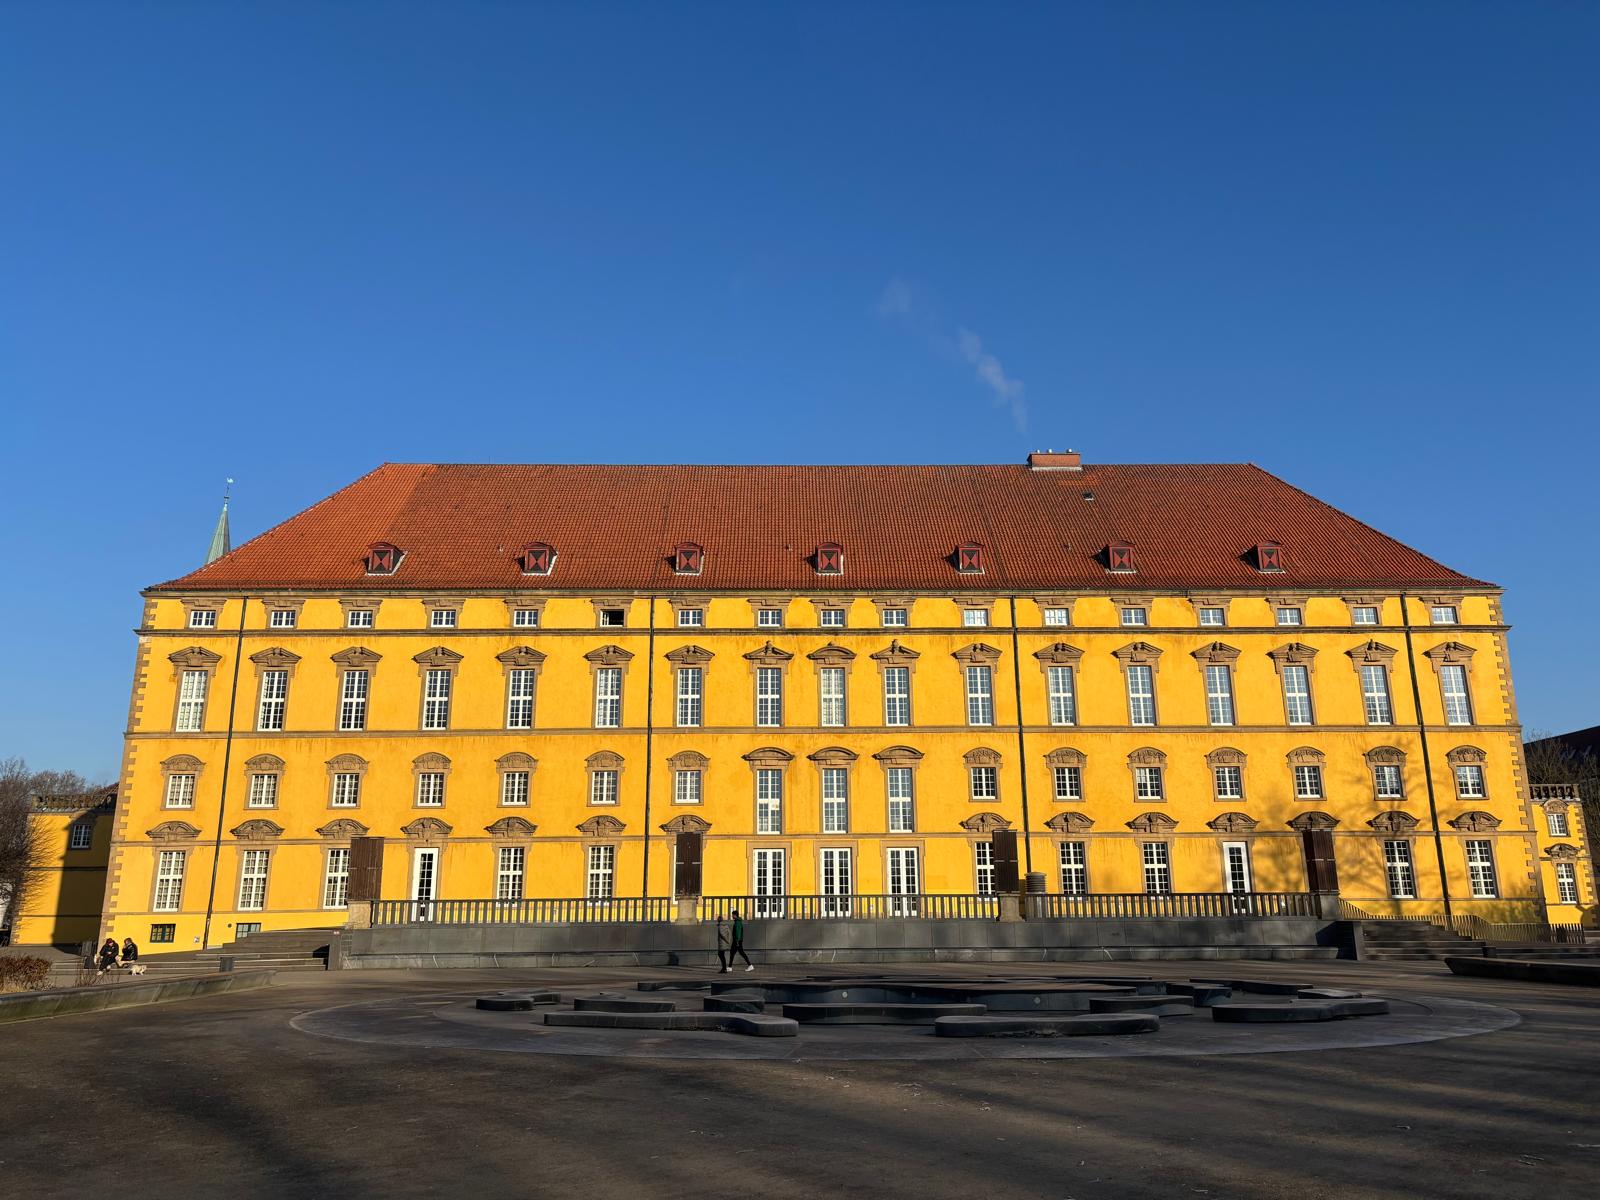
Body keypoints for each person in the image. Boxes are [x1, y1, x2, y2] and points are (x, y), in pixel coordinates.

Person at [729, 908, 753, 972]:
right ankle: (730, 967)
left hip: (737, 941)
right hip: (738, 940)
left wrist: (737, 941)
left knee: (734, 953)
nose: (732, 916)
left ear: (735, 915)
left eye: (732, 915)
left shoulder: (737, 922)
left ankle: (730, 967)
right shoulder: (738, 922)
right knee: (737, 953)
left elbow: (738, 932)